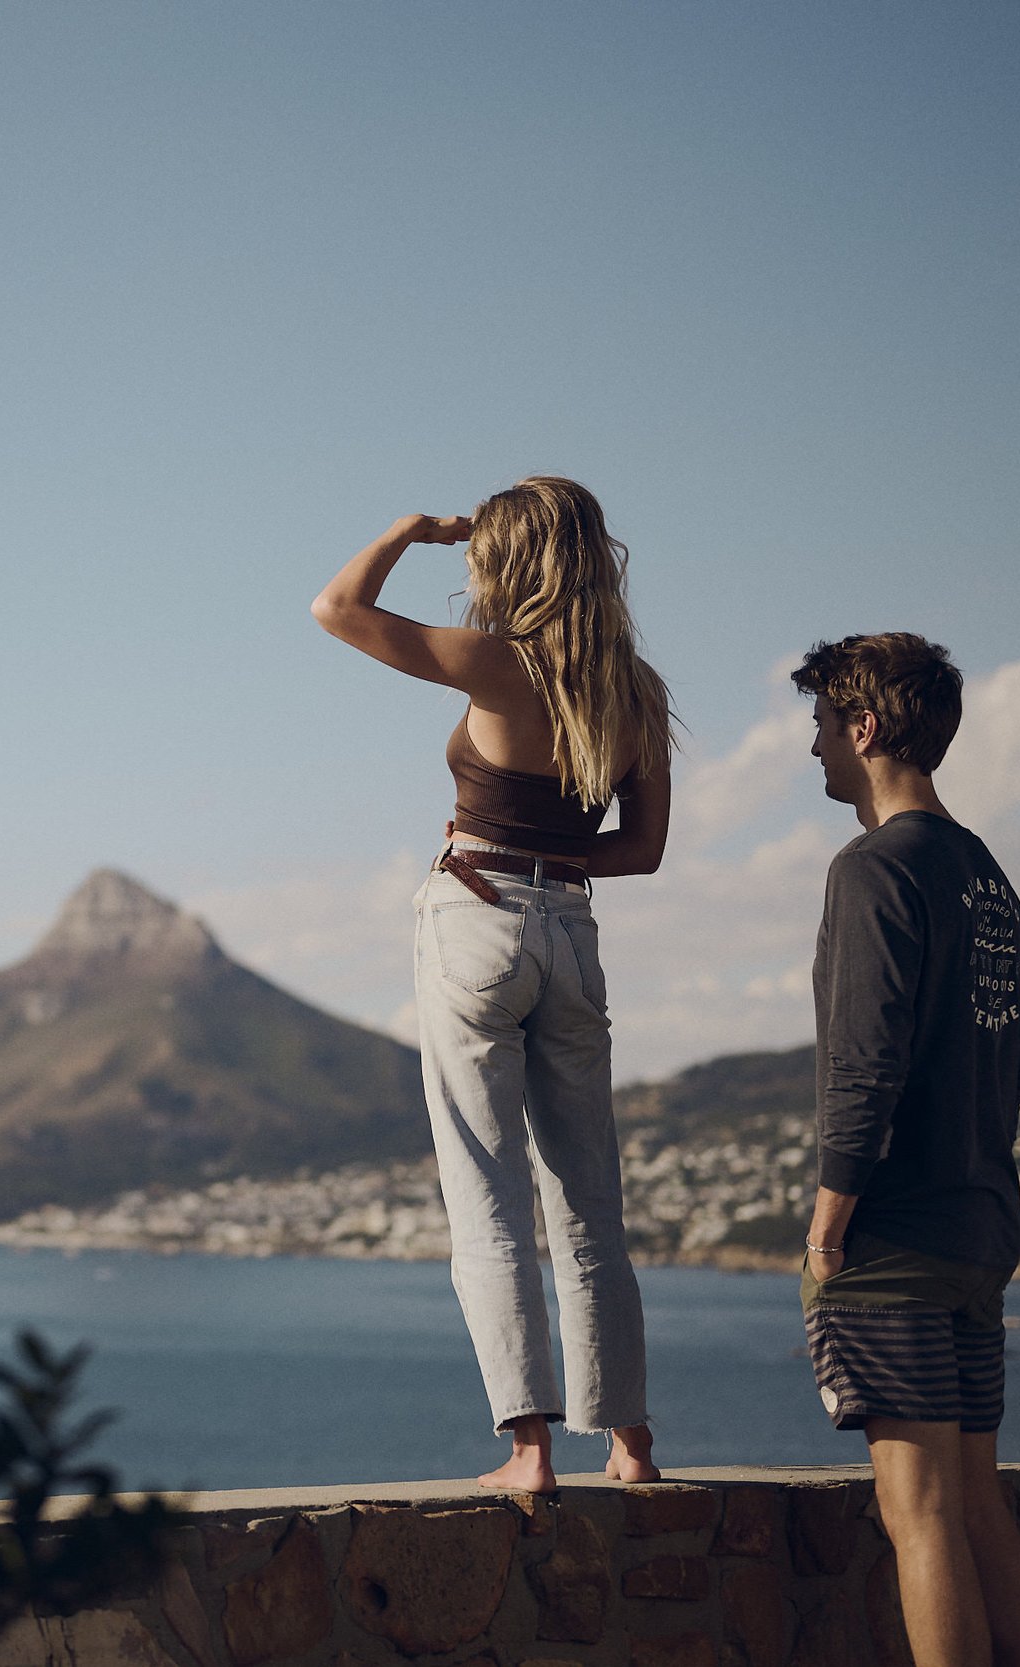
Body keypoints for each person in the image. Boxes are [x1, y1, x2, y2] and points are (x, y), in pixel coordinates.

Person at [313, 476, 674, 1492]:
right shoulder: (633, 689)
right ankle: (631, 1444)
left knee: (488, 1194)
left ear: (510, 562)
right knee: (588, 1204)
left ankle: (528, 1451)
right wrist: (553, 861)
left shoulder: (499, 663)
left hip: (474, 919)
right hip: (570, 931)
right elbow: (640, 850)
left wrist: (407, 529)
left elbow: (335, 609)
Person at [793, 633, 1020, 1667]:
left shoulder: (872, 867)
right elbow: (1011, 1066)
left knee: (922, 1516)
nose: (812, 749)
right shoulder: (987, 876)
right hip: (981, 1224)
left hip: (896, 1235)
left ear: (863, 728)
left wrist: (827, 1220)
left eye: (820, 725)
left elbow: (866, 1059)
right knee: (977, 1506)